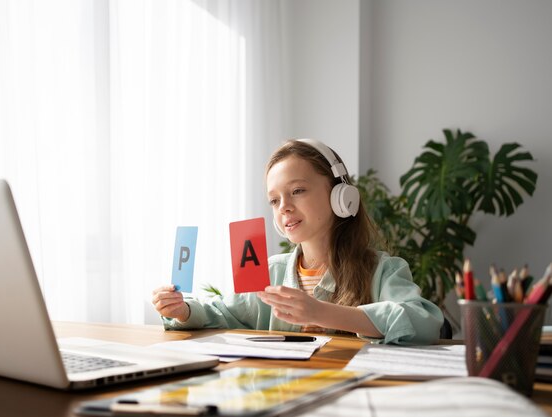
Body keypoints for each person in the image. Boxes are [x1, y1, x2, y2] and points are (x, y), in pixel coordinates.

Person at [152, 139, 443, 345]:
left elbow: (423, 320)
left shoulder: (383, 269)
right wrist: (183, 311)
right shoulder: (267, 273)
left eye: (298, 190)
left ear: (340, 196)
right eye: (274, 200)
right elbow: (225, 312)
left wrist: (321, 312)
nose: (284, 207)